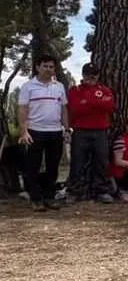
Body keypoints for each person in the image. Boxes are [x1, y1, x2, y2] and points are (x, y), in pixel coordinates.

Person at [17, 54, 69, 211]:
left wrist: (66, 129)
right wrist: (23, 131)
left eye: (51, 67)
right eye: (45, 66)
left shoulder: (59, 86)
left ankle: (49, 196)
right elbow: (22, 110)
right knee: (33, 166)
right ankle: (36, 199)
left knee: (53, 166)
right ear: (37, 67)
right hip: (35, 131)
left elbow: (63, 109)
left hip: (55, 132)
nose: (48, 69)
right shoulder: (28, 86)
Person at [66, 63, 114, 203]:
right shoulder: (75, 90)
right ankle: (75, 191)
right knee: (77, 162)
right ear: (83, 74)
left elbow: (110, 106)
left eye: (94, 73)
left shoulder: (105, 89)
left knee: (101, 162)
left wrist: (87, 102)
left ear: (98, 75)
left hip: (100, 131)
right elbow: (75, 109)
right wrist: (97, 103)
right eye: (88, 73)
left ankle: (101, 191)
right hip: (80, 131)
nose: (91, 76)